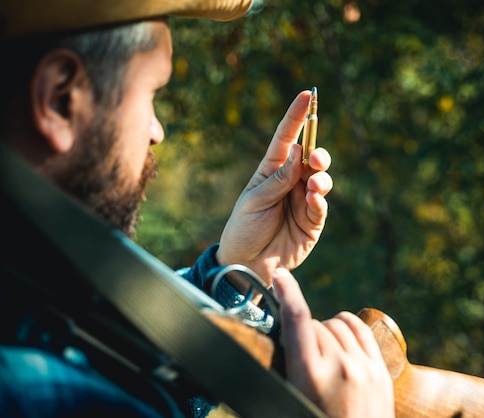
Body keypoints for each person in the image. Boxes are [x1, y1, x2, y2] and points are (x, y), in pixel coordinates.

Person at [0, 1, 395, 417]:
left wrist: (240, 274)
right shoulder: (27, 390)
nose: (157, 131)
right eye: (152, 92)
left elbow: (129, 374)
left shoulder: (34, 292)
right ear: (61, 98)